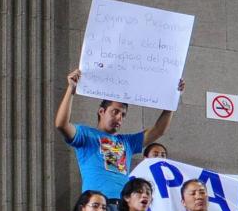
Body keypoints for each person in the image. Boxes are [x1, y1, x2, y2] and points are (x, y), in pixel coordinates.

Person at [54, 68, 185, 201]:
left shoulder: (127, 142)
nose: (119, 118)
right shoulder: (85, 135)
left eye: (123, 115)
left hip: (123, 206)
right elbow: (61, 124)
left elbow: (158, 130)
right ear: (101, 111)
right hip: (96, 204)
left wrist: (172, 100)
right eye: (115, 112)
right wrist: (71, 89)